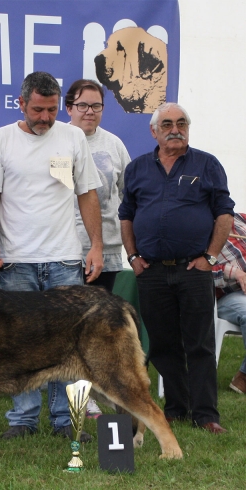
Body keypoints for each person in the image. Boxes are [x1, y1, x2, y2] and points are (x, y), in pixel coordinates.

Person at [0, 71, 103, 442]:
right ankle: (22, 418)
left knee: (71, 344)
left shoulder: (74, 137)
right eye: (38, 110)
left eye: (51, 110)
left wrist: (95, 245)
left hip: (64, 258)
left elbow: (87, 194)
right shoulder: (0, 140)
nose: (46, 117)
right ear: (21, 104)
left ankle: (67, 420)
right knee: (18, 343)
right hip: (17, 260)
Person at [119, 102, 234, 434]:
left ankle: (206, 414)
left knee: (199, 343)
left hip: (193, 269)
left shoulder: (207, 164)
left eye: (181, 123)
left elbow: (223, 214)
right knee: (163, 344)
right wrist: (132, 257)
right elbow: (126, 214)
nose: (175, 129)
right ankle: (176, 407)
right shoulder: (138, 168)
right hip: (152, 271)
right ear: (153, 131)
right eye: (167, 123)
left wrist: (210, 257)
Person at [65, 79, 131, 418]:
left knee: (96, 328)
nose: (90, 112)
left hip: (106, 248)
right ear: (69, 108)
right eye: (82, 106)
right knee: (68, 328)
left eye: (96, 106)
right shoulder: (59, 141)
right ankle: (71, 398)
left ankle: (92, 392)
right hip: (64, 248)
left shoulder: (115, 145)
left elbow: (127, 195)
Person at [212, 213, 246, 395]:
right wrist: (234, 272)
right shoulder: (200, 231)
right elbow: (199, 272)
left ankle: (243, 376)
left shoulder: (240, 219)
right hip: (227, 296)